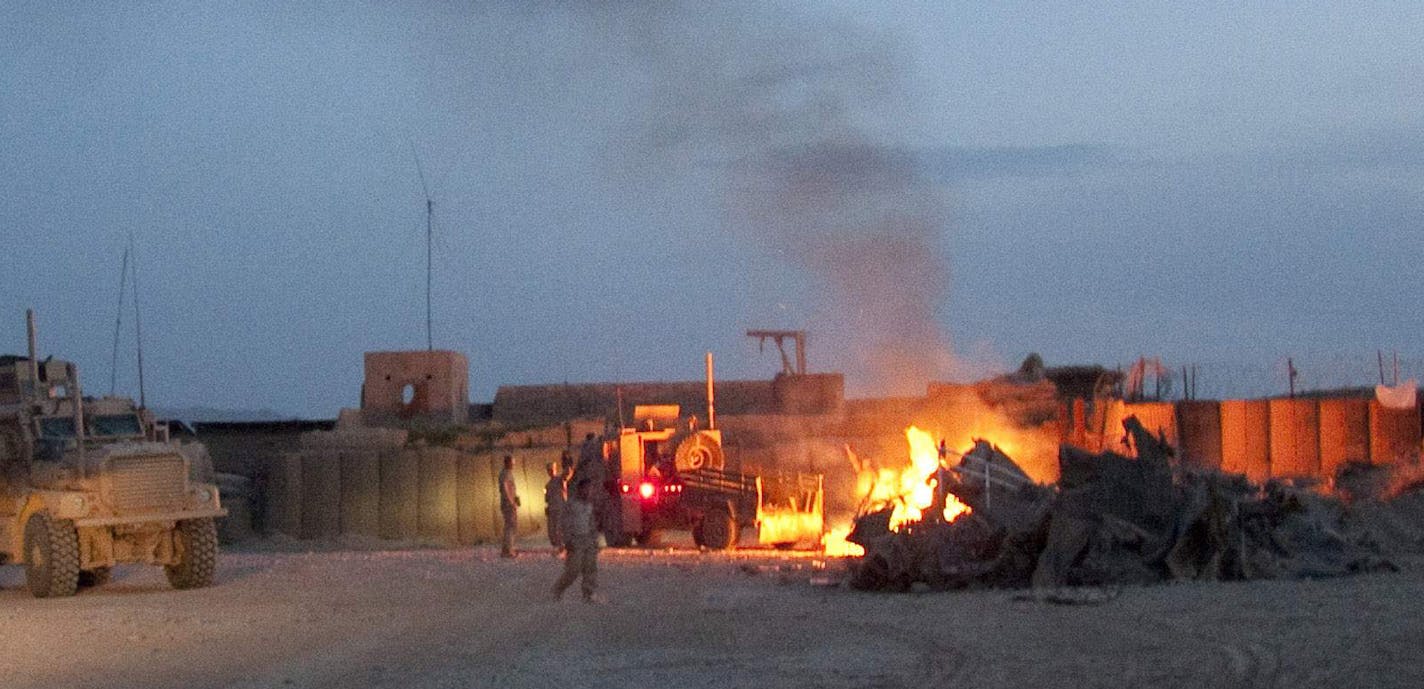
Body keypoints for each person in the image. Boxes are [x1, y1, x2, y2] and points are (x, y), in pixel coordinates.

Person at [553, 478, 600, 602]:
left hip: (588, 540)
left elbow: (592, 524)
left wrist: (595, 540)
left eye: (590, 489)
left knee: (590, 568)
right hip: (575, 541)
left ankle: (588, 594)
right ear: (580, 490)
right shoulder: (572, 505)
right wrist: (567, 540)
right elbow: (565, 524)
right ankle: (558, 589)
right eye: (586, 489)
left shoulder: (589, 506)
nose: (589, 492)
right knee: (573, 570)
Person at [544, 457, 569, 553]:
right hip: (552, 509)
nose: (550, 472)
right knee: (552, 529)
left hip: (560, 507)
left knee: (559, 528)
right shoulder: (548, 484)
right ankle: (558, 545)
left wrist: (567, 464)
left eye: (551, 470)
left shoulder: (559, 480)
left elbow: (566, 475)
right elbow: (547, 498)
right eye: (548, 470)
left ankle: (562, 546)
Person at [498, 455, 520, 558]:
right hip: (508, 504)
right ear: (507, 463)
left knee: (510, 526)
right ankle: (508, 550)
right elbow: (505, 488)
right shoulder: (505, 474)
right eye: (512, 463)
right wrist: (511, 502)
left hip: (510, 502)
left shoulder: (508, 473)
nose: (513, 465)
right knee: (511, 527)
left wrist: (515, 499)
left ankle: (506, 548)